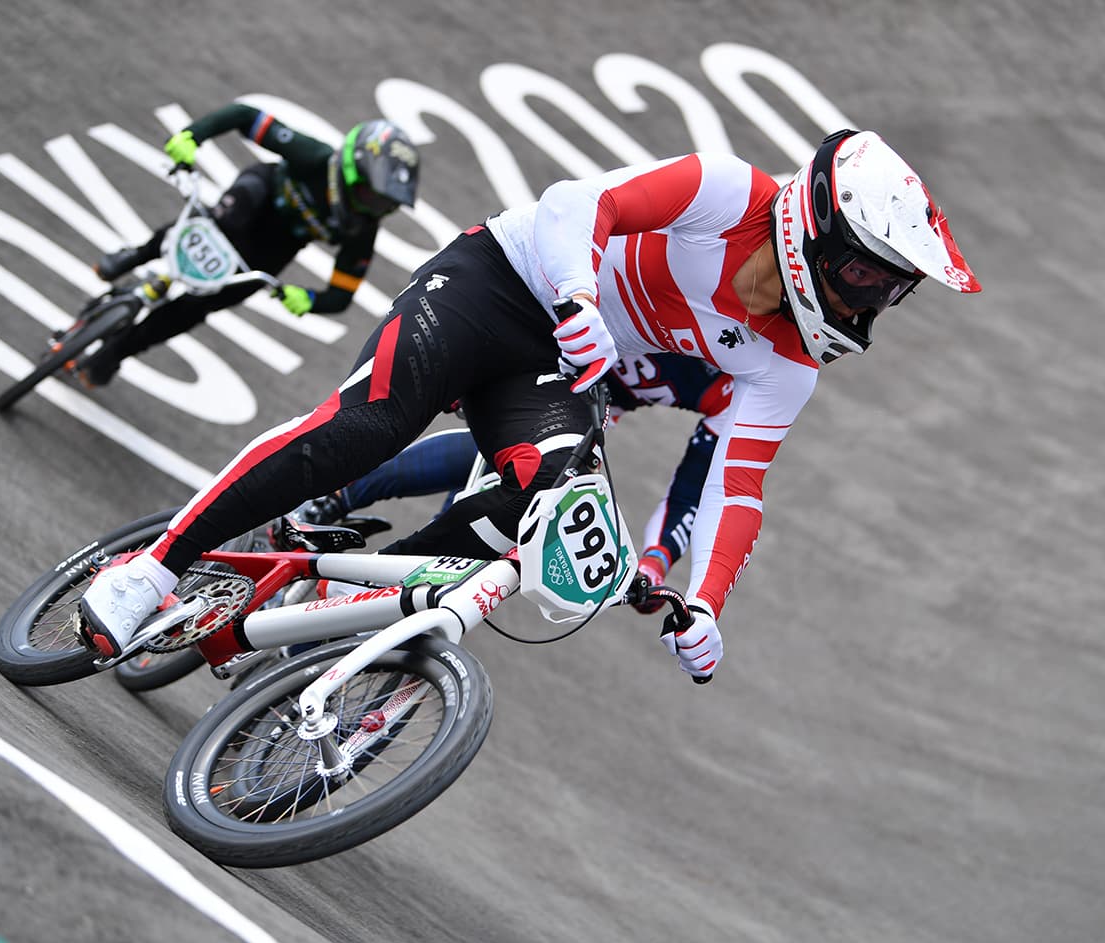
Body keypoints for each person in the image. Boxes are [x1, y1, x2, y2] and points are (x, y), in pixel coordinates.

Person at [77, 128, 980, 680]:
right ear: (816, 229)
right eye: (867, 274)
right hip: (499, 286)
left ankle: (326, 603)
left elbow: (737, 489)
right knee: (373, 424)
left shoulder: (790, 365)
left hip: (555, 368)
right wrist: (582, 298)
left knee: (536, 516)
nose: (869, 302)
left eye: (889, 289)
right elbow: (571, 205)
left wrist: (703, 602)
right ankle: (153, 568)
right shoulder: (728, 192)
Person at [279, 352, 733, 613]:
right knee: (527, 462)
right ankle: (334, 499)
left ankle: (388, 588)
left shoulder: (746, 383)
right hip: (543, 354)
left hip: (597, 405)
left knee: (549, 488)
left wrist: (655, 562)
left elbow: (695, 487)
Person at [75, 104, 420, 386]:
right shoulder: (312, 157)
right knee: (218, 226)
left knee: (202, 304)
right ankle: (137, 255)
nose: (372, 209)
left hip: (275, 247)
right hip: (259, 194)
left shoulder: (363, 231)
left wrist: (309, 300)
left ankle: (116, 353)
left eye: (384, 205)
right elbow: (244, 115)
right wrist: (192, 137)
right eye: (368, 195)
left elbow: (341, 296)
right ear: (348, 169)